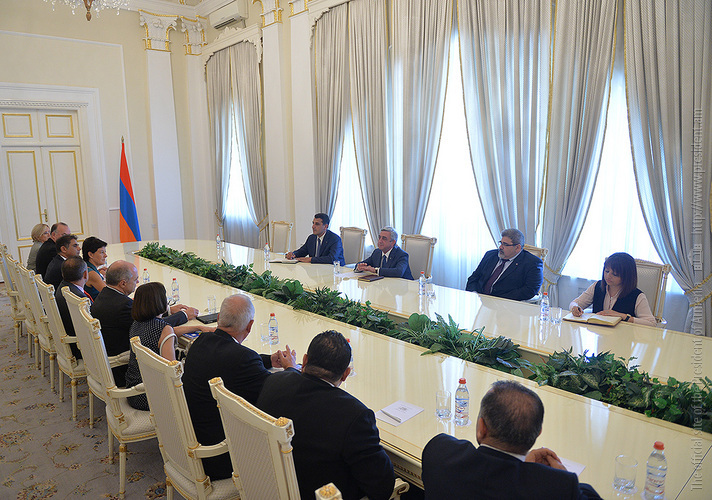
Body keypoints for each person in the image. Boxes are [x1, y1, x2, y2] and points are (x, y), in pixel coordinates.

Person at [257, 330, 395, 500]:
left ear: (305, 360)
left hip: (266, 487)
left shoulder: (273, 381)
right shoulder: (354, 415)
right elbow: (382, 487)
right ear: (346, 374)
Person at [183, 294, 298, 480]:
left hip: (191, 440)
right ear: (250, 326)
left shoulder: (201, 341)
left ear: (219, 318)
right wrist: (291, 369)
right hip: (221, 456)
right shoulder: (242, 359)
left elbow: (229, 358)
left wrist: (269, 360)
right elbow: (274, 390)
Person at [422, 380, 601, 499]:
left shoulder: (439, 452)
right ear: (537, 434)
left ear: (482, 427)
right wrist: (559, 474)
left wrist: (522, 467)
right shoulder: (556, 487)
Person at [91, 260, 198, 386]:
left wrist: (167, 310)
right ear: (123, 283)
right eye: (135, 279)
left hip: (115, 363)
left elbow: (150, 319)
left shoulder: (105, 295)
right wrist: (184, 315)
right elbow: (156, 325)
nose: (137, 282)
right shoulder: (124, 306)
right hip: (122, 371)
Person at [124, 282, 214, 411]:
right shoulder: (162, 328)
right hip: (152, 396)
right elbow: (172, 371)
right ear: (161, 301)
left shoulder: (137, 323)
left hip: (134, 390)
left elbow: (169, 331)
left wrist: (198, 327)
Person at [569, 252, 656, 327]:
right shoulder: (597, 286)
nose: (608, 276)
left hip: (623, 337)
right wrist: (574, 308)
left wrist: (623, 316)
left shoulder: (637, 296)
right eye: (606, 271)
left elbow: (651, 323)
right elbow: (575, 303)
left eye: (615, 274)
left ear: (626, 276)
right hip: (597, 335)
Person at [465, 228, 543, 301]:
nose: (500, 247)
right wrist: (474, 294)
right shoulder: (490, 255)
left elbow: (530, 290)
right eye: (501, 243)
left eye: (505, 244)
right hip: (479, 300)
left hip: (506, 304)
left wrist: (498, 300)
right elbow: (474, 277)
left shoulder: (532, 263)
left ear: (517, 248)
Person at [54, 256, 90, 359]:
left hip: (70, 339)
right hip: (81, 347)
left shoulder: (63, 287)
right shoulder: (79, 299)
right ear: (85, 274)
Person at [82, 236, 108, 300]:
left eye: (105, 252)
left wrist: (99, 273)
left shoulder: (87, 267)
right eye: (102, 252)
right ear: (91, 255)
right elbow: (109, 293)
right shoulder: (91, 273)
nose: (105, 255)